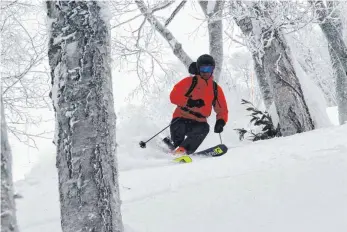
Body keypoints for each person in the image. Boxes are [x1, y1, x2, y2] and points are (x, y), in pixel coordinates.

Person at [165, 54, 228, 155]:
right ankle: (172, 147)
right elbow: (173, 96)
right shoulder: (189, 82)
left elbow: (222, 109)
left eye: (209, 69)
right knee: (177, 141)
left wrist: (221, 121)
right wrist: (190, 102)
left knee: (204, 128)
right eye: (203, 69)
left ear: (213, 69)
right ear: (198, 69)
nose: (206, 72)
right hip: (181, 118)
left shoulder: (215, 88)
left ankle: (183, 151)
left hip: (199, 122)